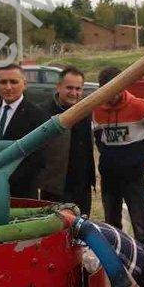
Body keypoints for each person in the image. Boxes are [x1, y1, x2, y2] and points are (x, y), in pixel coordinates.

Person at [92, 67, 144, 251]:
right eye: (108, 90)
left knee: (140, 221)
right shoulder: (96, 108)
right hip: (109, 172)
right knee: (111, 221)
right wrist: (106, 153)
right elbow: (97, 134)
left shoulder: (138, 106)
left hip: (133, 174)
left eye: (117, 88)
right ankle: (116, 255)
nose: (112, 94)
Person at [0, 64, 49, 199]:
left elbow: (38, 158)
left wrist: (5, 178)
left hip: (21, 191)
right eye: (3, 82)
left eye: (14, 82)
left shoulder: (37, 115)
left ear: (24, 84)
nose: (8, 87)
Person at [45, 66, 96, 213]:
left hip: (82, 186)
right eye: (69, 88)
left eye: (78, 89)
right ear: (58, 87)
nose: (74, 93)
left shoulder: (86, 112)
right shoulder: (43, 113)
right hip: (54, 188)